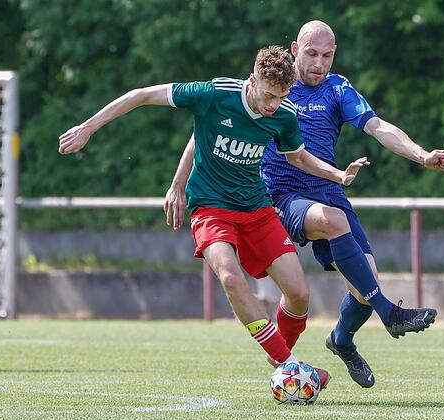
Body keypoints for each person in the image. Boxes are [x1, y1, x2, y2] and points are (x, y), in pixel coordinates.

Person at [60, 45, 373, 387]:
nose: (272, 106)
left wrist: (337, 175)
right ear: (252, 81)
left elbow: (298, 157)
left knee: (298, 294)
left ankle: (279, 356)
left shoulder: (283, 115)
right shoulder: (213, 94)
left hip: (257, 208)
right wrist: (89, 127)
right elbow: (141, 95)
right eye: (268, 95)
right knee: (230, 278)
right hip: (211, 208)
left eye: (280, 98)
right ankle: (289, 364)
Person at [166, 21, 444, 389]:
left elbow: (377, 126)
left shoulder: (338, 89)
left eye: (328, 55)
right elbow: (207, 131)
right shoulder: (273, 86)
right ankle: (388, 314)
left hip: (328, 191)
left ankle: (340, 341)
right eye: (312, 53)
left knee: (362, 286)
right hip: (279, 194)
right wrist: (178, 183)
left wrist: (422, 154)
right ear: (294, 48)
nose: (319, 63)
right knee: (334, 234)